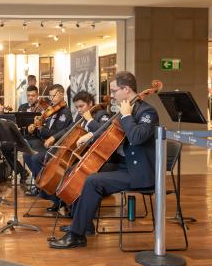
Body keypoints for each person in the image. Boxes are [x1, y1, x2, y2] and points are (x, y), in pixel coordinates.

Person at [50, 72, 159, 249]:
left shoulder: (147, 112)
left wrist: (126, 116)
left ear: (126, 89)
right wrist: (91, 135)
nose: (112, 95)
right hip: (123, 165)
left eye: (115, 91)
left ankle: (77, 235)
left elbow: (137, 137)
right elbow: (108, 130)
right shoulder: (125, 108)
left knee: (92, 180)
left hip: (138, 172)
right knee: (80, 170)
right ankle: (83, 224)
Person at [27, 90, 110, 213]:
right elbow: (69, 128)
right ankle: (55, 198)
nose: (79, 110)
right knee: (37, 159)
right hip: (72, 151)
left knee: (65, 170)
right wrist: (54, 138)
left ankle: (68, 201)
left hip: (87, 155)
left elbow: (105, 133)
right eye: (77, 107)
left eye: (82, 106)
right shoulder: (78, 115)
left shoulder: (101, 114)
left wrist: (90, 120)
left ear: (91, 103)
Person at [23, 84, 73, 203]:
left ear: (61, 94)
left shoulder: (65, 113)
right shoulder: (52, 110)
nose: (51, 99)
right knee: (26, 155)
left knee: (35, 158)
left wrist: (41, 128)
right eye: (49, 96)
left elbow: (55, 134)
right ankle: (39, 184)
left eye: (53, 96)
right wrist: (35, 127)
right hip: (46, 143)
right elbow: (45, 131)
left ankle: (49, 191)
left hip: (57, 146)